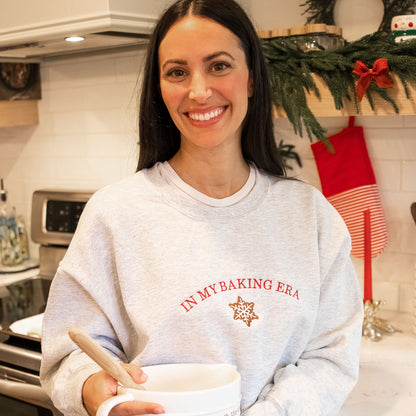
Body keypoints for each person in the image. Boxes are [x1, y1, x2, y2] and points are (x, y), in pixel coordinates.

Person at [40, 0, 364, 415]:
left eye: (219, 65)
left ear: (250, 79)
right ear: (160, 88)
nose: (198, 90)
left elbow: (331, 356)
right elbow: (69, 354)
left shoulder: (309, 215)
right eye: (177, 72)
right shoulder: (116, 214)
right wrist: (95, 394)